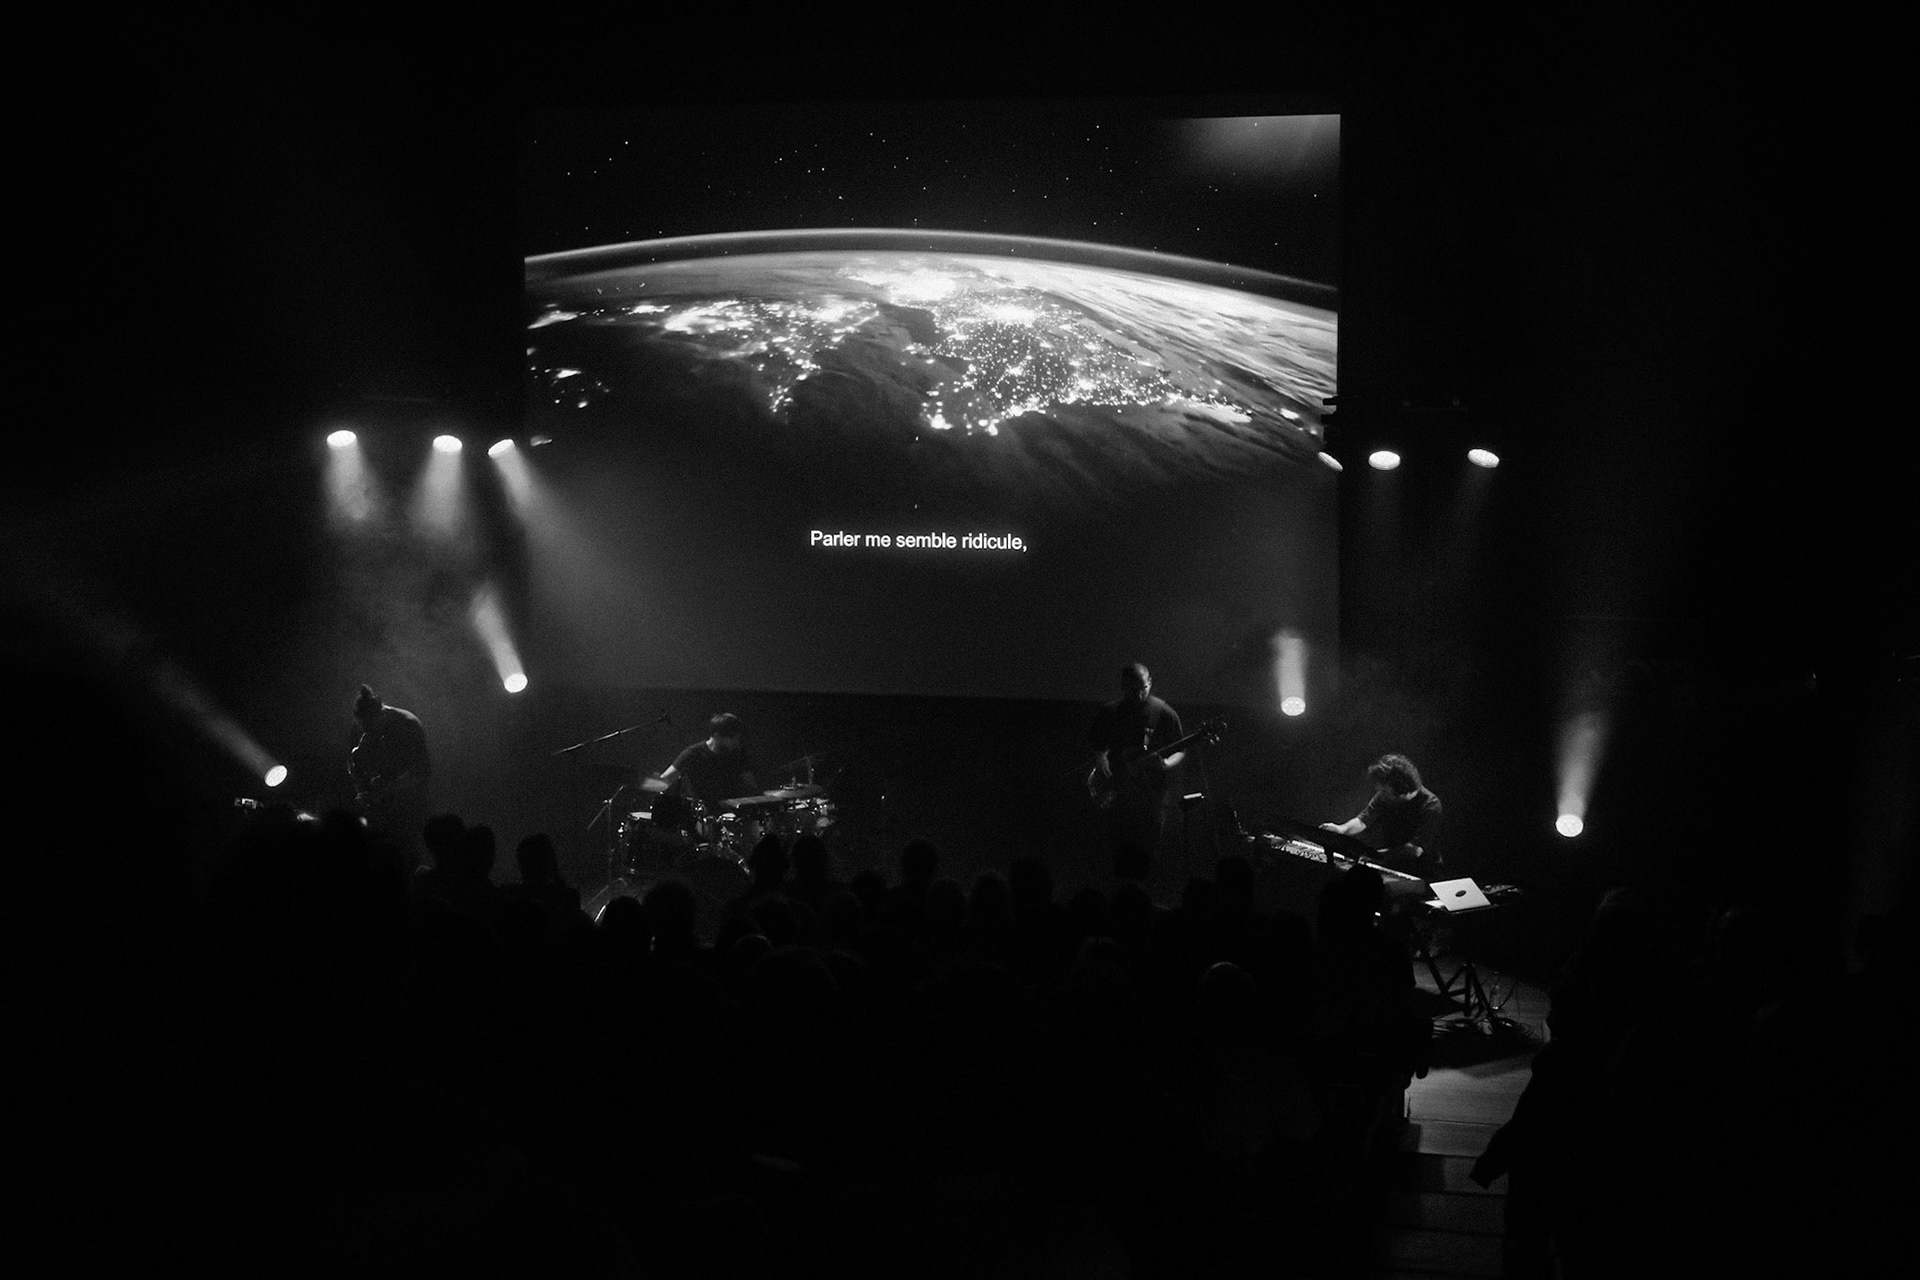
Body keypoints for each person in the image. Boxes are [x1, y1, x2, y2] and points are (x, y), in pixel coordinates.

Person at [1087, 663, 1185, 882]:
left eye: (1143, 687)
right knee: (1115, 847)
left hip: (1150, 796)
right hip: (1117, 792)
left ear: (1149, 683)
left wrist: (1166, 764)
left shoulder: (1163, 712)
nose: (1140, 693)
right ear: (1124, 686)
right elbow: (1096, 744)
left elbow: (1179, 750)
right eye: (1133, 689)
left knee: (1150, 847)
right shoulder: (1110, 712)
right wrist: (1101, 759)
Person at [1321, 752, 1443, 874]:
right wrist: (1340, 830)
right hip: (1390, 866)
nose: (1379, 793)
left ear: (1401, 788)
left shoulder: (1430, 805)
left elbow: (1415, 850)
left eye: (1384, 790)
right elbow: (1363, 820)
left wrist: (1371, 856)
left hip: (1422, 871)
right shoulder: (1385, 797)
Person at [349, 684, 431, 863]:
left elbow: (423, 772)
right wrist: (363, 789)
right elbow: (359, 764)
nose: (366, 732)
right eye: (363, 727)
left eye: (370, 727)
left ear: (381, 714)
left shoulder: (407, 725)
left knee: (414, 856)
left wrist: (387, 788)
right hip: (389, 812)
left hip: (415, 807)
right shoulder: (369, 727)